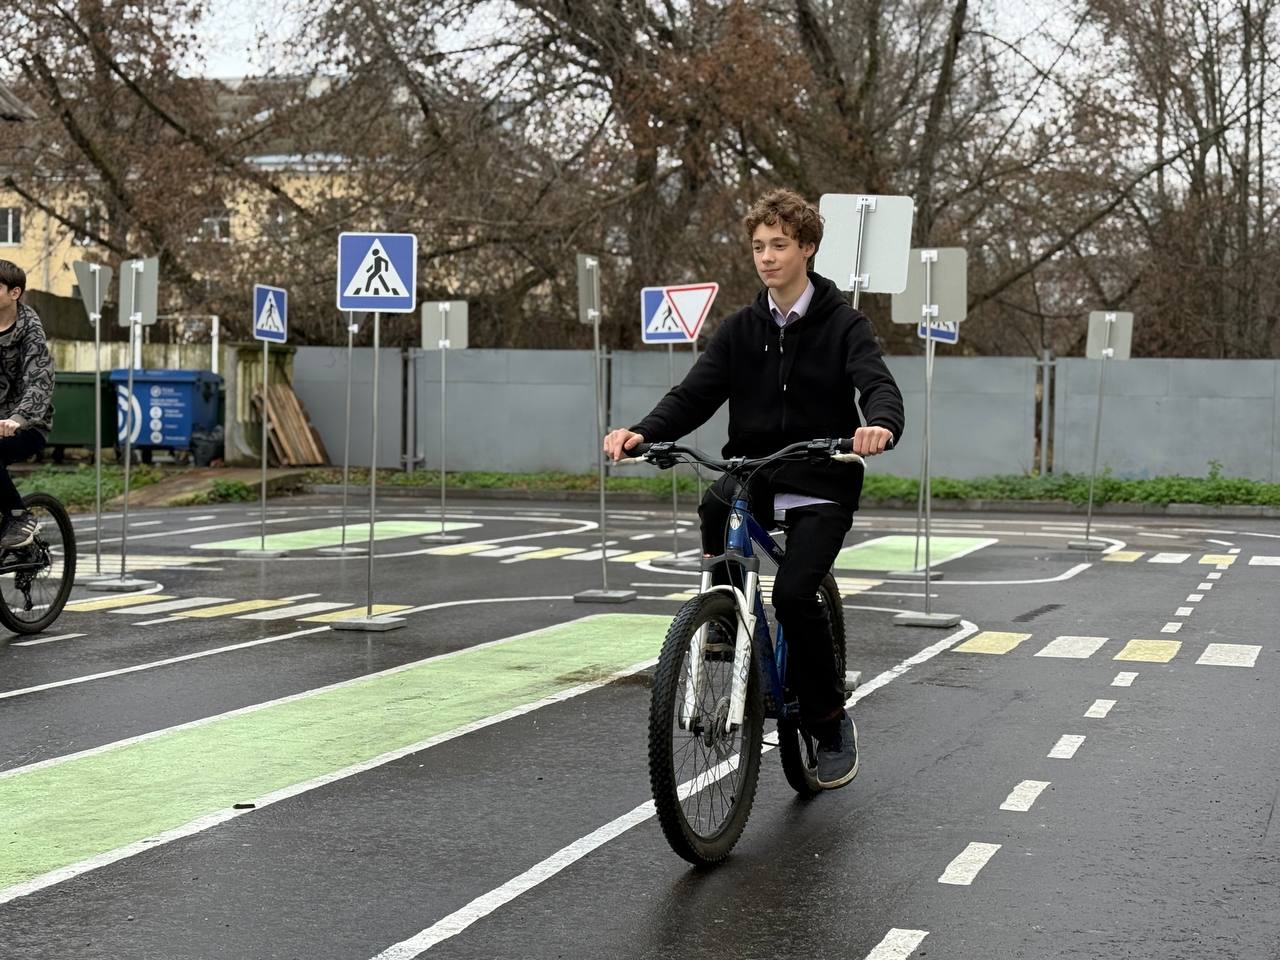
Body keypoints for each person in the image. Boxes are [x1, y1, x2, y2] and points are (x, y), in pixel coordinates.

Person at [603, 189, 904, 789]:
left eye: (780, 245)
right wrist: (641, 432)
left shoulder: (845, 325)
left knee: (795, 597)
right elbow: (693, 396)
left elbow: (877, 386)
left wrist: (878, 426)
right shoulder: (742, 329)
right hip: (757, 472)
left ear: (808, 249)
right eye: (759, 247)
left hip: (821, 479)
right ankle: (723, 616)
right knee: (714, 502)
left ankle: (828, 722)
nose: (767, 257)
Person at [0, 260, 54, 549]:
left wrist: (19, 418)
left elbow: (39, 380)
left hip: (28, 424)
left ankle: (19, 516)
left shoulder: (30, 330)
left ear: (14, 293)